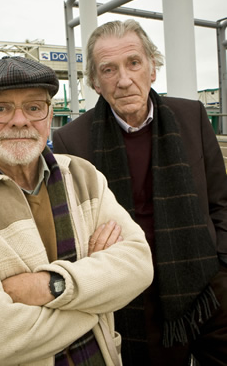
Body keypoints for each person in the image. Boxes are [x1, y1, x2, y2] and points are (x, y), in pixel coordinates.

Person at [0, 56, 153, 366]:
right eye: (1, 108)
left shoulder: (83, 176)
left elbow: (139, 265)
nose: (20, 120)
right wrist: (98, 297)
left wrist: (49, 286)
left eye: (34, 107)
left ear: (48, 118)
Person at [53, 19, 227, 366]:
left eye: (134, 63)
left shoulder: (190, 115)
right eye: (108, 69)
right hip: (132, 295)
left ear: (152, 69)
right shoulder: (71, 140)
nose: (124, 79)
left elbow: (221, 202)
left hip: (208, 283)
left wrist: (221, 263)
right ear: (95, 83)